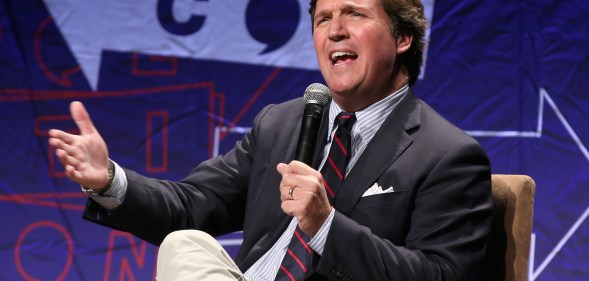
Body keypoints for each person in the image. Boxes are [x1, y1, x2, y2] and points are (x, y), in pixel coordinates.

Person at [48, 0, 493, 280]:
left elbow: (439, 274)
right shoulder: (281, 124)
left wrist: (325, 225)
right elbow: (191, 206)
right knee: (185, 244)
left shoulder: (447, 155)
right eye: (323, 19)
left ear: (403, 37)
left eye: (354, 13)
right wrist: (108, 180)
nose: (334, 30)